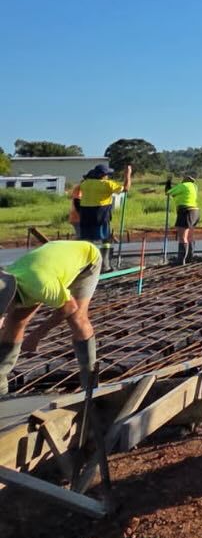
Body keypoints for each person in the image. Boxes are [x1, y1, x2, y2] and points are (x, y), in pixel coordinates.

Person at [0, 240, 102, 396]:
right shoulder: (6, 278)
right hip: (47, 263)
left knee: (76, 319)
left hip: (86, 258)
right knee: (15, 321)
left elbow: (69, 307)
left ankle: (90, 383)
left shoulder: (40, 286)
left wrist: (36, 336)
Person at [76, 163, 131, 255]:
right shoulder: (108, 184)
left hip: (85, 215)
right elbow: (126, 189)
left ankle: (87, 262)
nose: (108, 176)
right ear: (103, 175)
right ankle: (106, 264)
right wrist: (128, 175)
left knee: (87, 239)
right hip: (101, 214)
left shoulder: (85, 184)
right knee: (105, 239)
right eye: (107, 174)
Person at [164, 173, 200, 266]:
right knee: (190, 236)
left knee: (182, 237)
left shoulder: (183, 186)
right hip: (195, 212)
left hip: (185, 211)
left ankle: (180, 261)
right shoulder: (194, 187)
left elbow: (168, 192)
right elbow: (176, 195)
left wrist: (168, 182)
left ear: (184, 180)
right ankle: (189, 258)